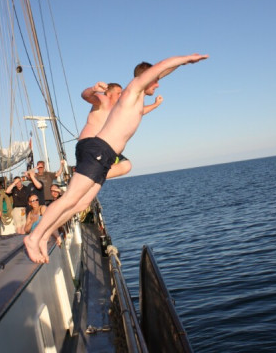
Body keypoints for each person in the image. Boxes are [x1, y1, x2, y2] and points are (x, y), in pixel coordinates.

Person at [24, 53, 208, 263]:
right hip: (98, 149)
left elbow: (161, 72)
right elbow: (160, 67)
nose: (157, 85)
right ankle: (33, 237)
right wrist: (186, 59)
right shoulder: (132, 90)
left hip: (107, 156)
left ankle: (46, 234)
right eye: (155, 81)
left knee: (82, 203)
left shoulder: (137, 101)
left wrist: (177, 71)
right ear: (146, 77)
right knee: (70, 197)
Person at [79, 82, 163, 179]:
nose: (121, 96)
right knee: (122, 165)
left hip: (103, 147)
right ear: (109, 94)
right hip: (90, 144)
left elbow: (139, 112)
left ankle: (85, 177)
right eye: (118, 93)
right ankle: (82, 176)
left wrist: (155, 104)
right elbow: (86, 96)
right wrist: (93, 89)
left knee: (125, 165)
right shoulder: (103, 100)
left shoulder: (118, 109)